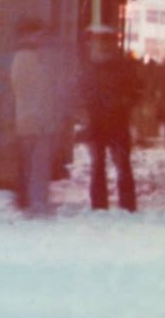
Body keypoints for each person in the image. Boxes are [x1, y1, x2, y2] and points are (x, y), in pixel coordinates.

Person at [10, 19, 68, 214]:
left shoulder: (22, 57)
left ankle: (26, 201)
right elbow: (40, 92)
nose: (41, 38)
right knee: (36, 164)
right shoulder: (29, 58)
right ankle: (33, 201)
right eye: (38, 34)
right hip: (36, 120)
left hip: (28, 119)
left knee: (28, 163)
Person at [82, 25, 140, 211]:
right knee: (117, 165)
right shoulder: (120, 65)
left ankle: (102, 205)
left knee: (103, 166)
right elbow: (135, 91)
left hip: (104, 122)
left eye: (105, 41)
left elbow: (134, 91)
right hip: (111, 121)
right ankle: (126, 205)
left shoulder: (89, 66)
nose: (102, 45)